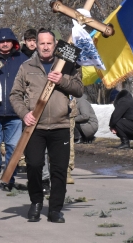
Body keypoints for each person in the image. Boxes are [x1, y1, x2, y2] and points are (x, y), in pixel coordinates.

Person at [10, 28, 84, 224]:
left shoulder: (67, 66)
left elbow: (78, 89)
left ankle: (55, 210)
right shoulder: (27, 67)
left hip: (60, 125)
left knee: (59, 170)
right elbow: (15, 95)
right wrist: (24, 114)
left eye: (48, 43)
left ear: (55, 45)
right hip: (35, 127)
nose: (44, 46)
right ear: (36, 45)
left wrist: (62, 80)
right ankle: (36, 203)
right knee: (34, 166)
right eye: (41, 43)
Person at [0, 28, 28, 190]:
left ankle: (9, 177)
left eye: (8, 41)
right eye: (1, 41)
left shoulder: (23, 59)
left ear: (14, 42)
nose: (5, 44)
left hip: (15, 112)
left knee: (13, 147)